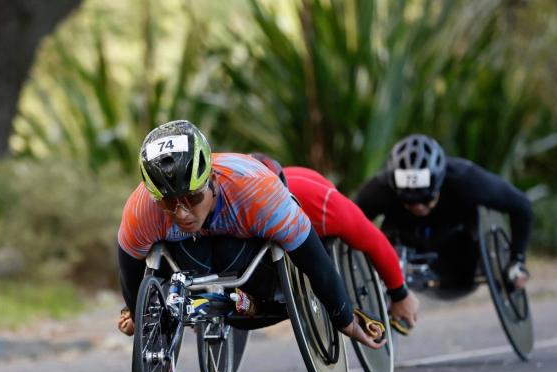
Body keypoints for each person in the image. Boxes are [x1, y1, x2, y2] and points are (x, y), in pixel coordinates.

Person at [116, 119, 384, 349]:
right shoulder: (142, 208)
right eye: (168, 203)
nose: (182, 213)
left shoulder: (258, 192)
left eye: (192, 198)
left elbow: (316, 263)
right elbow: (130, 271)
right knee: (176, 252)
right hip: (191, 258)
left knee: (230, 250)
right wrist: (137, 314)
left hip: (252, 263)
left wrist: (345, 320)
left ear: (212, 181)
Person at [248, 154, 419, 330]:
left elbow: (374, 241)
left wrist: (400, 294)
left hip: (311, 201)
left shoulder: (326, 206)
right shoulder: (239, 199)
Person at [354, 134, 533, 291]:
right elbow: (348, 223)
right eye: (409, 200)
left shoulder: (466, 179)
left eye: (426, 199)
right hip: (403, 236)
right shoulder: (379, 189)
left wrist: (517, 260)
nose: (418, 207)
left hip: (457, 241)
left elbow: (521, 205)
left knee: (460, 264)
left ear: (438, 183)